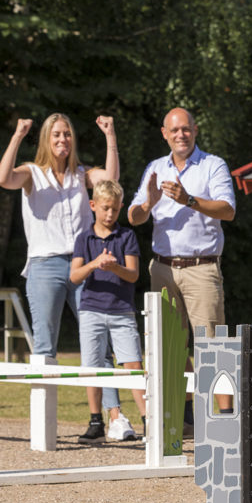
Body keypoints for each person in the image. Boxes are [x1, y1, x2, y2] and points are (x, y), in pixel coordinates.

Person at [127, 108, 236, 435]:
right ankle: (185, 419)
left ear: (195, 130)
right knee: (167, 348)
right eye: (175, 130)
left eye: (186, 129)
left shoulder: (213, 165)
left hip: (201, 269)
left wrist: (189, 200)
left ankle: (226, 423)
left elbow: (228, 210)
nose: (181, 135)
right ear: (164, 133)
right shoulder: (155, 168)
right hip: (162, 268)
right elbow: (133, 216)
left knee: (213, 347)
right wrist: (147, 204)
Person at [0, 114, 120, 361]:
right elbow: (3, 179)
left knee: (99, 342)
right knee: (44, 346)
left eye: (67, 134)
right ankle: (43, 401)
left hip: (83, 263)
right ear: (46, 140)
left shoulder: (82, 174)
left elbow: (111, 180)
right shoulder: (32, 173)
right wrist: (17, 136)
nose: (63, 139)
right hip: (45, 266)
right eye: (57, 134)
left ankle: (110, 402)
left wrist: (110, 136)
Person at [70, 180, 146, 444]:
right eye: (105, 209)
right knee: (91, 367)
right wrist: (95, 264)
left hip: (122, 310)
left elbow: (133, 274)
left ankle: (148, 418)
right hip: (91, 309)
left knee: (133, 364)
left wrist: (114, 268)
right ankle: (95, 421)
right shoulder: (84, 237)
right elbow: (74, 276)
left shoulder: (126, 237)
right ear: (93, 206)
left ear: (121, 208)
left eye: (114, 209)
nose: (110, 215)